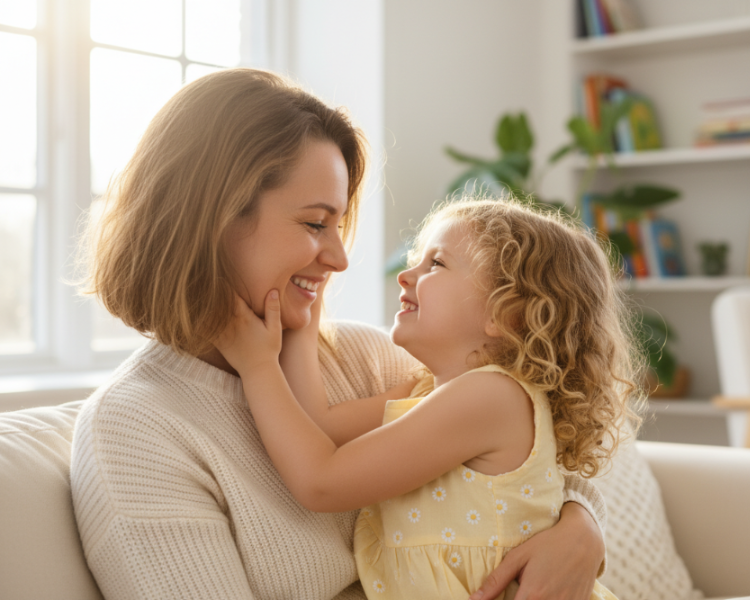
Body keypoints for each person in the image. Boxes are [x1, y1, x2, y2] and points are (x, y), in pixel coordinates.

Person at [70, 68, 611, 600]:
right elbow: (321, 443)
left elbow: (538, 464)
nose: (341, 258)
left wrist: (581, 526)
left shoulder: (375, 359)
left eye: (338, 224)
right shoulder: (134, 432)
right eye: (313, 224)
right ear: (213, 218)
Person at [215, 197, 640, 599]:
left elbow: (321, 482)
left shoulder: (492, 398)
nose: (406, 273)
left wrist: (257, 367)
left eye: (435, 263)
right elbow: (315, 426)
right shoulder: (425, 390)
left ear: (503, 313)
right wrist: (305, 306)